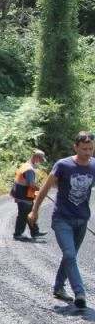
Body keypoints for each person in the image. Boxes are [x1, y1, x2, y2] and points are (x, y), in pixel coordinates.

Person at [29, 132, 95, 309]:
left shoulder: (94, 166)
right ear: (76, 147)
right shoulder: (63, 165)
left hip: (82, 219)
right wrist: (34, 210)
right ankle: (80, 293)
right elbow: (45, 188)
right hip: (62, 219)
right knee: (70, 254)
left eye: (91, 149)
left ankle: (59, 287)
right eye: (84, 149)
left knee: (69, 256)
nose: (88, 153)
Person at [11, 149, 48, 240]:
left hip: (21, 194)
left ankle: (35, 232)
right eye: (40, 160)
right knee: (23, 215)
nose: (40, 162)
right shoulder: (29, 169)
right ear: (35, 157)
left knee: (31, 213)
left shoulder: (25, 165)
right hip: (23, 195)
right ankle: (18, 234)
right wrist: (40, 189)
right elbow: (31, 184)